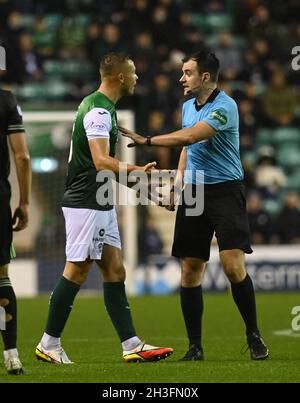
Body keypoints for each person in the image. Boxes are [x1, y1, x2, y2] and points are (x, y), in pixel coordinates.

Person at [119, 49, 269, 361]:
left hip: (226, 192)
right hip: (195, 192)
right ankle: (195, 347)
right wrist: (177, 185)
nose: (181, 78)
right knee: (189, 270)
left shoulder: (226, 107)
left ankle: (253, 335)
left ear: (205, 77)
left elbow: (189, 137)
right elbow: (190, 150)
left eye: (187, 73)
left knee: (232, 267)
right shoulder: (188, 106)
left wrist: (146, 140)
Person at [35, 52, 173, 364]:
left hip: (100, 200)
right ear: (121, 77)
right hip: (87, 201)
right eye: (134, 72)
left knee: (115, 270)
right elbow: (101, 162)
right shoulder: (98, 110)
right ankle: (49, 342)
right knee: (78, 268)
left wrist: (149, 192)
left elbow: (107, 171)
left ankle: (132, 344)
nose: (137, 77)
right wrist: (139, 170)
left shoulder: (103, 108)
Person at [0, 88, 31, 374]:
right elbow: (22, 157)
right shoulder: (6, 100)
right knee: (1, 277)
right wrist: (24, 201)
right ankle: (11, 354)